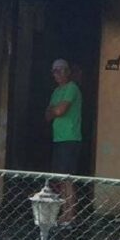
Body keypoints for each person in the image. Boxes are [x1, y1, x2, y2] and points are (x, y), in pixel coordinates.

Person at [44, 59, 82, 224]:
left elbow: (59, 110)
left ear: (67, 71)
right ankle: (63, 213)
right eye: (54, 71)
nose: (57, 74)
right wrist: (54, 111)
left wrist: (55, 111)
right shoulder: (56, 92)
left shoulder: (72, 88)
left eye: (60, 70)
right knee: (60, 178)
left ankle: (70, 214)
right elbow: (47, 115)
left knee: (67, 178)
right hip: (58, 138)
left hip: (70, 138)